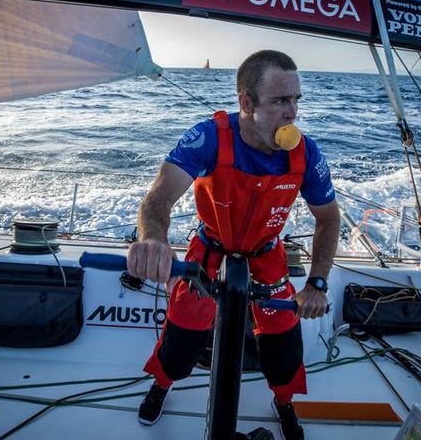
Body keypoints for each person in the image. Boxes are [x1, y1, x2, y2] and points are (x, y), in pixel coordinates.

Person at [127, 50, 340, 440]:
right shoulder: (209, 137)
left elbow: (329, 218)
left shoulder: (306, 154)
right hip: (209, 251)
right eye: (280, 101)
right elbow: (157, 199)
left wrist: (318, 283)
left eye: (296, 100)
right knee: (182, 334)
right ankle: (162, 384)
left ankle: (284, 401)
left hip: (266, 254)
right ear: (246, 103)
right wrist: (154, 241)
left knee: (283, 343)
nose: (292, 113)